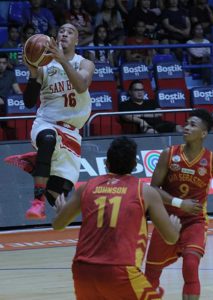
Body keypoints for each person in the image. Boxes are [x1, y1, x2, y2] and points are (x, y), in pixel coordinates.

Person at [52, 136, 182, 300]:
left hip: (83, 270)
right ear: (135, 165)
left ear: (106, 163)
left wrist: (61, 211)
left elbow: (57, 225)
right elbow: (170, 238)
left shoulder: (86, 187)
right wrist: (175, 229)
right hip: (120, 270)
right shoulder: (145, 192)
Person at [4, 23, 95, 220]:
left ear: (77, 41)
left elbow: (81, 86)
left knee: (59, 198)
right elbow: (28, 102)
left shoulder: (84, 63)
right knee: (48, 139)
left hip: (71, 134)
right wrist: (33, 71)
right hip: (47, 124)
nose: (64, 34)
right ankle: (37, 202)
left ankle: (34, 164)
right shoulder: (45, 65)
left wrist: (63, 61)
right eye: (61, 31)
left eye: (70, 32)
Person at [145, 109, 213, 299]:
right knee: (151, 274)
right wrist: (179, 203)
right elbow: (153, 189)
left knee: (190, 266)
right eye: (187, 123)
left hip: (194, 221)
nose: (186, 127)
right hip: (166, 220)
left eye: (192, 125)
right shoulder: (168, 154)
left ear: (203, 134)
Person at [119, 80, 183, 134]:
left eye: (141, 90)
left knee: (179, 129)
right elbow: (126, 116)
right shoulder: (125, 104)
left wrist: (140, 115)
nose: (140, 92)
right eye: (136, 90)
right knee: (152, 132)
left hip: (160, 124)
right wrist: (141, 121)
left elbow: (158, 113)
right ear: (130, 92)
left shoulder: (152, 102)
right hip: (143, 126)